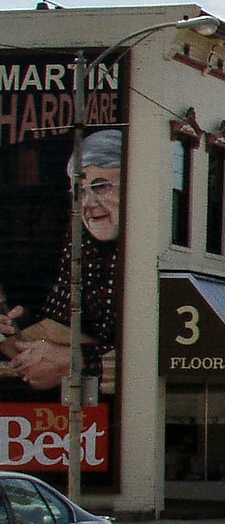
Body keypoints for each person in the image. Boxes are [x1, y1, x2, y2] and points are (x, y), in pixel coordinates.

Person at [3, 128, 123, 393]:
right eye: (79, 191)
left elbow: (156, 357)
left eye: (101, 185)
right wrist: (16, 329)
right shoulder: (80, 242)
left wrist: (74, 361)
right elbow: (60, 323)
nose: (88, 203)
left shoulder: (148, 254)